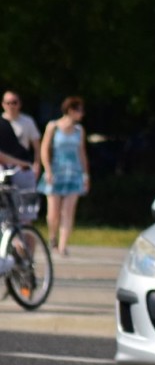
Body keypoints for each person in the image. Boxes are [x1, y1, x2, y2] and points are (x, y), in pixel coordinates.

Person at [37, 96, 90, 256]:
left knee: (68, 211)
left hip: (73, 174)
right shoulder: (53, 127)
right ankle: (52, 237)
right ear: (71, 110)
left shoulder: (79, 130)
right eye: (80, 110)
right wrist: (47, 170)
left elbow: (82, 153)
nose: (82, 114)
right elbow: (44, 149)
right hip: (56, 172)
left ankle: (63, 245)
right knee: (53, 212)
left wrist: (85, 175)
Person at [2, 90, 41, 182]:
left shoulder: (28, 121)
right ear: (3, 104)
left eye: (14, 102)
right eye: (8, 103)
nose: (11, 106)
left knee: (24, 195)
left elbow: (37, 147)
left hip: (23, 167)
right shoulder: (1, 123)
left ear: (19, 104)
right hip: (2, 167)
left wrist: (37, 164)